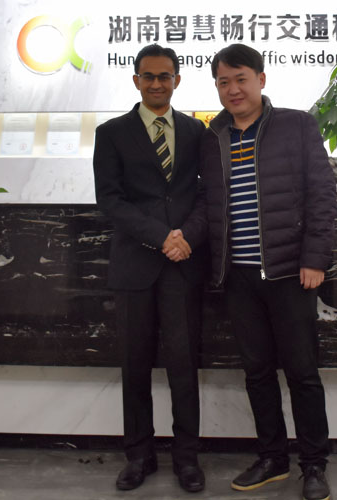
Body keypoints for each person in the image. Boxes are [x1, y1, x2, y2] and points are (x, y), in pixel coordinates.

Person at [181, 43, 336, 500]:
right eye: (223, 82)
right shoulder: (213, 136)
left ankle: (314, 464)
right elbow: (208, 201)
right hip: (238, 276)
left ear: (261, 80)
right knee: (257, 372)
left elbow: (322, 193)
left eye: (240, 79)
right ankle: (272, 458)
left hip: (289, 273)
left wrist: (315, 257)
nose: (233, 89)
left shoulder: (296, 124)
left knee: (302, 373)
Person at [93, 44, 206, 493]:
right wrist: (161, 237)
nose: (157, 83)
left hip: (183, 266)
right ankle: (139, 456)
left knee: (184, 366)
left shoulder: (197, 131)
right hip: (135, 265)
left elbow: (206, 196)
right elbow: (110, 200)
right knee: (134, 366)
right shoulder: (111, 133)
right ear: (136, 80)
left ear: (177, 80)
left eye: (164, 76)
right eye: (148, 76)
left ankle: (187, 459)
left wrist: (186, 237)